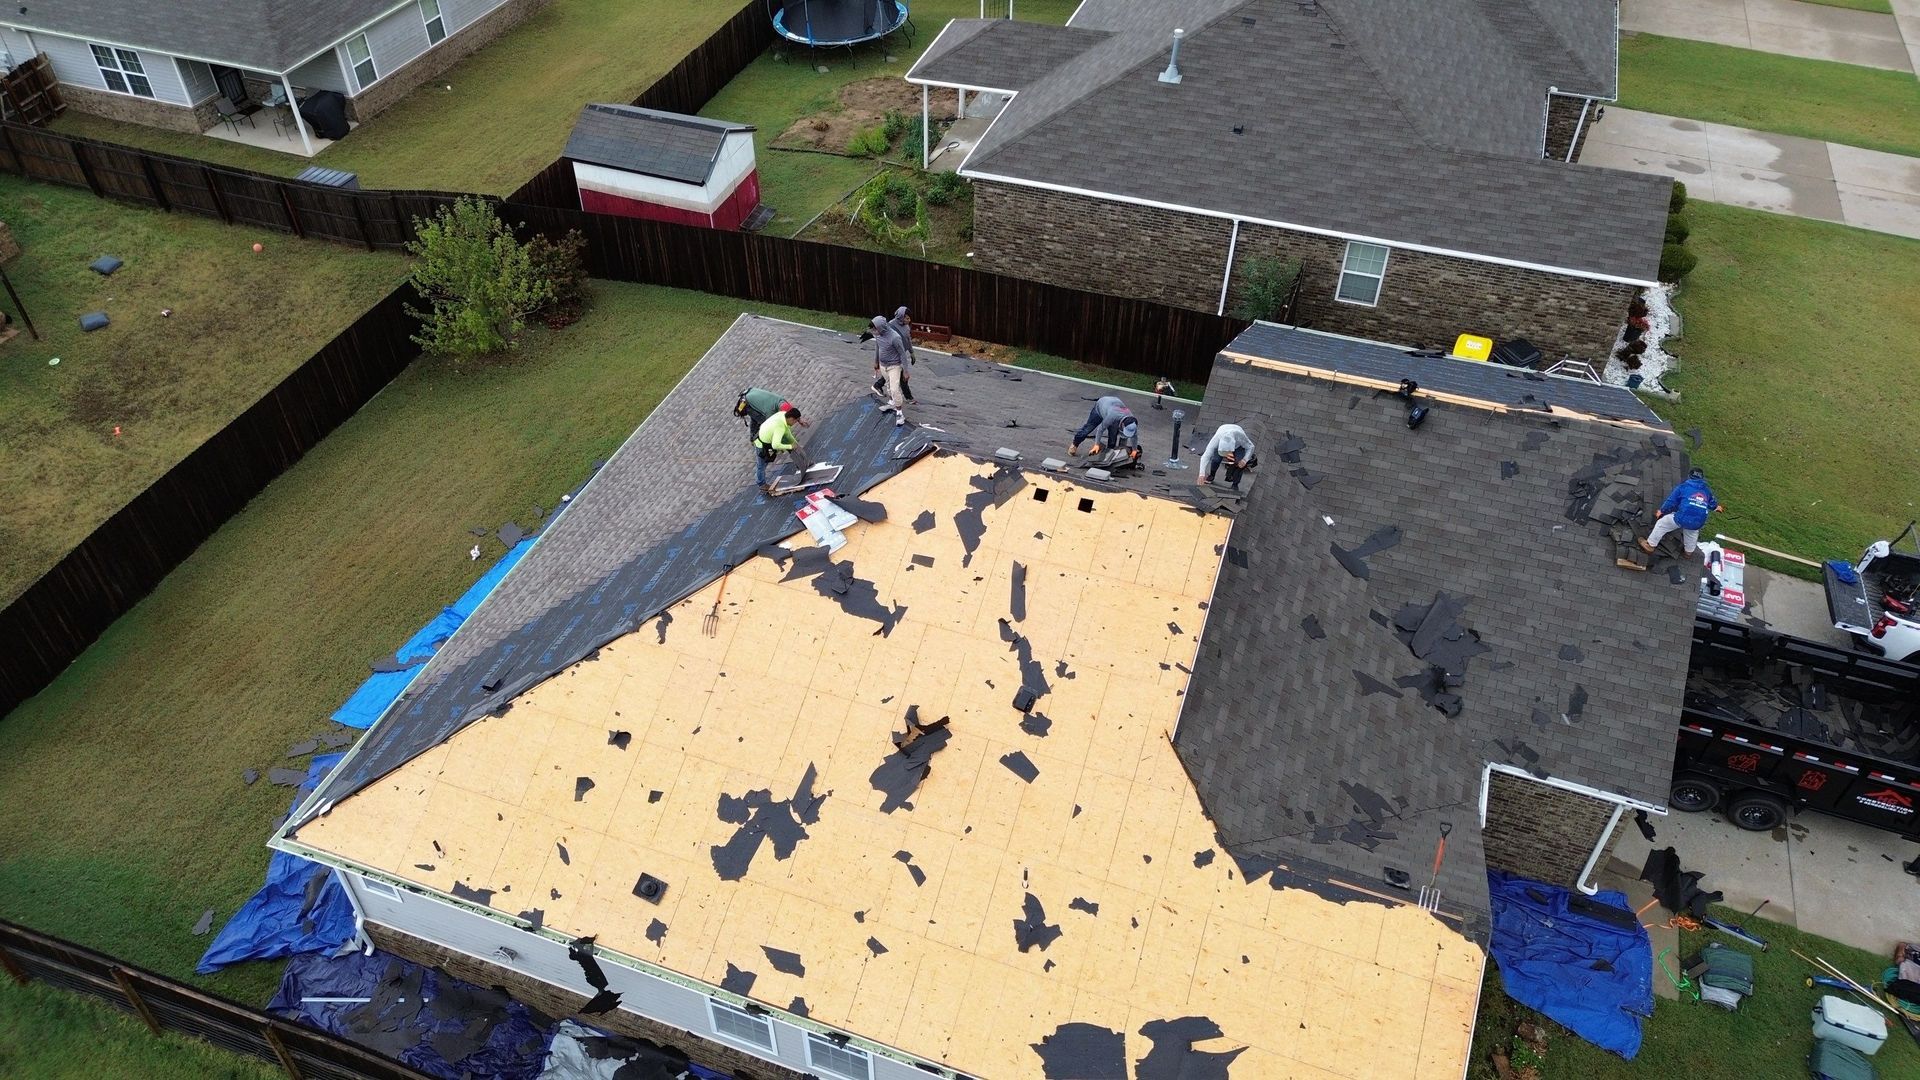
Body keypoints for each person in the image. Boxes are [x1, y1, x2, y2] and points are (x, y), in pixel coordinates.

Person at [1641, 467, 1720, 556]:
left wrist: (1661, 511)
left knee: (1662, 524)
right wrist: (1716, 507)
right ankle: (1688, 553)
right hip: (1698, 522)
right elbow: (1712, 504)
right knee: (1691, 534)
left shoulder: (1683, 487)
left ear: (1689, 476)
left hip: (1682, 518)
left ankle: (1650, 545)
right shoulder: (1707, 490)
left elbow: (1671, 502)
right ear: (1702, 478)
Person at [753, 404, 806, 490]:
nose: (794, 424)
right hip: (762, 443)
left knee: (790, 445)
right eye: (795, 422)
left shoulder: (783, 415)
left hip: (768, 434)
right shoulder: (780, 426)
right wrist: (790, 446)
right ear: (791, 419)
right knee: (761, 465)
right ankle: (761, 484)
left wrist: (795, 444)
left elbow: (787, 433)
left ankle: (800, 463)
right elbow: (775, 445)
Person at [871, 315, 908, 427]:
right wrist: (876, 361)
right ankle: (892, 403)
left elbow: (902, 354)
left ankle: (900, 413)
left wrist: (906, 371)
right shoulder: (878, 335)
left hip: (894, 366)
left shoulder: (895, 337)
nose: (873, 330)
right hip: (883, 366)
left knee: (894, 389)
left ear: (881, 327)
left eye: (875, 328)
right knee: (888, 385)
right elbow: (878, 347)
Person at [1069, 396, 1137, 456]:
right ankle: (1075, 444)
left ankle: (1108, 455)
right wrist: (1096, 444)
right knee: (1088, 428)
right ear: (1122, 424)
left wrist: (1134, 450)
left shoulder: (1132, 421)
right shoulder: (1112, 416)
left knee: (1113, 438)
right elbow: (1100, 429)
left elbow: (1133, 436)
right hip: (1100, 407)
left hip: (1112, 405)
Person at [887, 306, 917, 403]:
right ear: (901, 317)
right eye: (907, 318)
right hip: (894, 354)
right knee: (902, 375)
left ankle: (878, 385)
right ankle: (908, 397)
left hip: (902, 353)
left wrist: (912, 352)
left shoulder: (906, 326)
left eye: (909, 318)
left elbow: (908, 340)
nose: (909, 320)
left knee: (891, 373)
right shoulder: (891, 325)